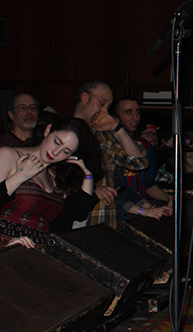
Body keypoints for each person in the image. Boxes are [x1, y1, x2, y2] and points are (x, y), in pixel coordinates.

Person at [0, 117, 100, 248]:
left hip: (38, 253)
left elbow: (79, 213)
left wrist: (88, 176)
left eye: (65, 151)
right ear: (48, 130)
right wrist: (20, 176)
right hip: (7, 248)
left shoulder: (54, 176)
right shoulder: (9, 155)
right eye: (57, 142)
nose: (55, 152)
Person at [72, 81, 148, 228]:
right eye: (101, 104)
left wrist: (116, 128)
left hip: (106, 220)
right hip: (75, 224)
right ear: (85, 98)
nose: (104, 111)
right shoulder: (63, 132)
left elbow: (139, 162)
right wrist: (91, 191)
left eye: (108, 107)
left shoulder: (102, 136)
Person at [113, 97, 172, 221]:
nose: (135, 118)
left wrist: (168, 198)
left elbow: (148, 184)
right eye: (128, 113)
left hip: (139, 212)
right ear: (116, 116)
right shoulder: (109, 144)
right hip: (114, 213)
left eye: (137, 113)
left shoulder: (145, 146)